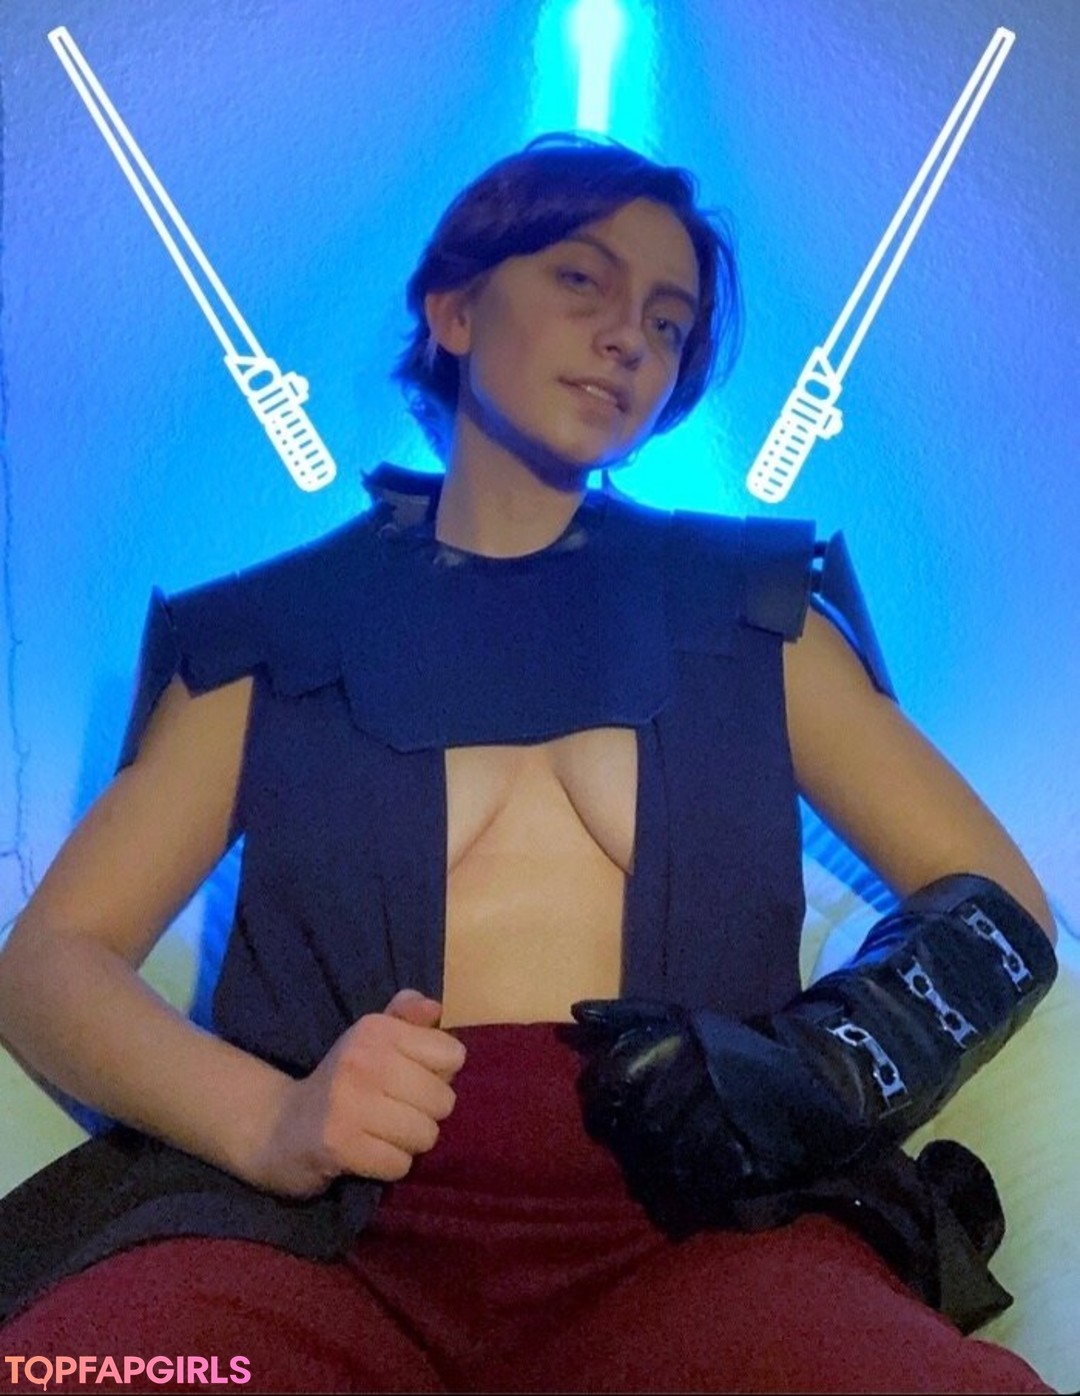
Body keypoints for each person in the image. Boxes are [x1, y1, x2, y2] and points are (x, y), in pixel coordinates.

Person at [0, 133, 1059, 1394]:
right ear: (453, 309)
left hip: (702, 1236)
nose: (628, 339)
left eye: (667, 323)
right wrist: (269, 1119)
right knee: (81, 1375)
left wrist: (814, 1070)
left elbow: (1000, 906)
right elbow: (50, 962)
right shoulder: (267, 636)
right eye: (581, 280)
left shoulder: (757, 614)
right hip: (309, 1237)